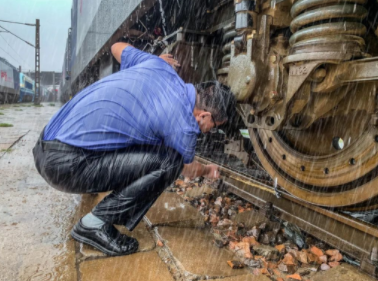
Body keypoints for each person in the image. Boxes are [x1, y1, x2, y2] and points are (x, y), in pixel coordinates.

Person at [33, 41, 236, 256]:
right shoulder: (184, 124)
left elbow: (116, 47)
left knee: (139, 134)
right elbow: (187, 169)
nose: (208, 131)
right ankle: (94, 224)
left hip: (44, 145)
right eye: (213, 127)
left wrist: (154, 58)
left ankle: (91, 186)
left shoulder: (158, 65)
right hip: (62, 167)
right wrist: (207, 170)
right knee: (170, 162)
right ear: (203, 115)